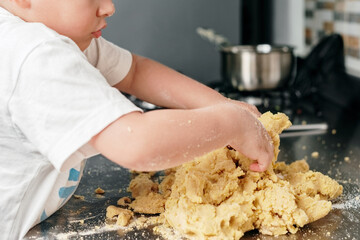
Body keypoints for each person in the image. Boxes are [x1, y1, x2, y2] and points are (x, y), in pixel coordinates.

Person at [0, 0, 274, 238]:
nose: (109, 7)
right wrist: (230, 125)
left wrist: (222, 105)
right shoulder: (35, 53)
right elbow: (135, 143)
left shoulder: (44, 34)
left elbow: (136, 72)